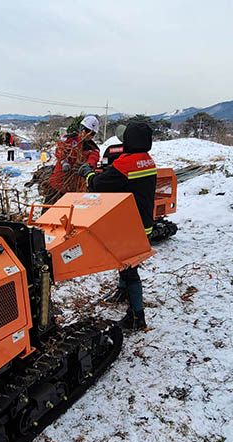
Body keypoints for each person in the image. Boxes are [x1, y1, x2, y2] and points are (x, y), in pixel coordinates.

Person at [77, 121, 157, 331]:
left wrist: (87, 172)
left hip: (130, 225)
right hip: (143, 222)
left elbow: (98, 184)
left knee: (130, 269)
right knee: (125, 262)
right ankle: (123, 291)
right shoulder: (147, 160)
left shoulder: (126, 164)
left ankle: (137, 317)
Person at [46, 115, 100, 204]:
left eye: (92, 134)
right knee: (48, 209)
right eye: (87, 130)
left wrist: (88, 166)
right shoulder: (69, 139)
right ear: (81, 128)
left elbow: (93, 159)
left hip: (76, 188)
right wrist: (64, 161)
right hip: (58, 183)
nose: (88, 135)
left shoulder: (93, 148)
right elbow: (60, 149)